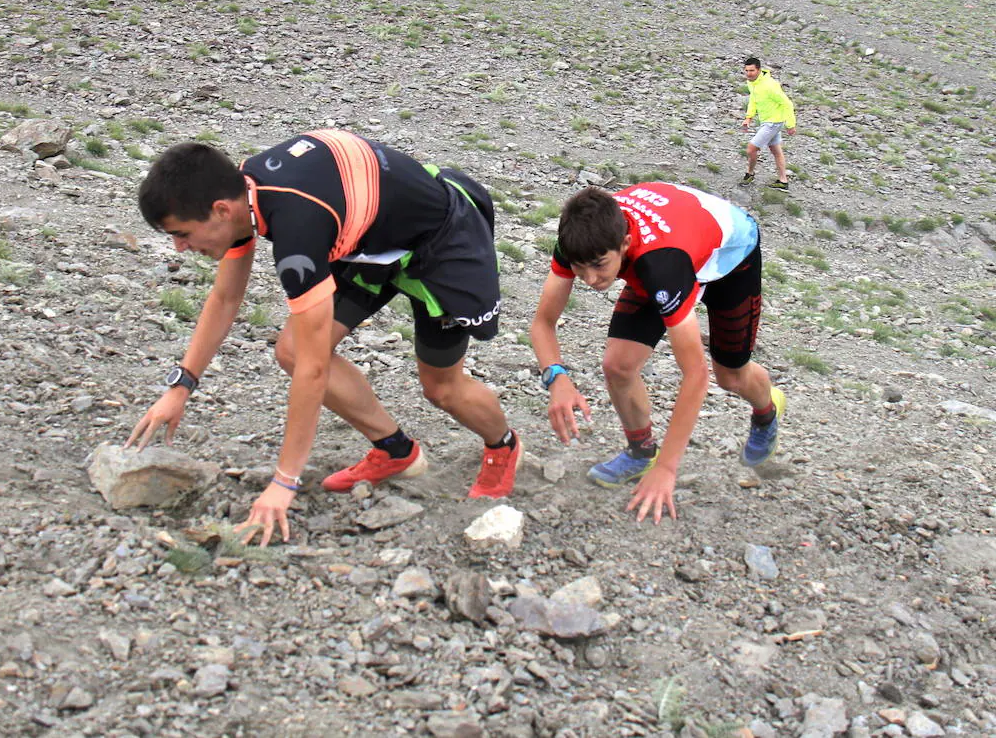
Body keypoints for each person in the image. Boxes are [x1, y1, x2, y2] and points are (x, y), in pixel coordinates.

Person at [127, 132, 522, 546]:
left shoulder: (298, 229)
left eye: (182, 234)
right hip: (370, 241)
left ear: (219, 210)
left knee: (442, 389)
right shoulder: (242, 197)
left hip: (440, 241)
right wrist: (181, 384)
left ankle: (504, 445)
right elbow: (225, 298)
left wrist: (284, 482)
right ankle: (396, 451)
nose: (179, 247)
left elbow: (315, 372)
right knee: (293, 350)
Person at [529, 183, 784, 524]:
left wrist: (668, 469)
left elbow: (696, 375)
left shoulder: (660, 264)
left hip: (729, 258)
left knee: (730, 376)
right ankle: (641, 452)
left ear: (624, 243)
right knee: (617, 366)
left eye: (599, 265)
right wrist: (556, 378)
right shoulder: (578, 240)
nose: (589, 279)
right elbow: (543, 323)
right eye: (579, 267)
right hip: (673, 241)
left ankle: (767, 410)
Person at [740, 56, 796, 190]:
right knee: (776, 150)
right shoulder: (753, 83)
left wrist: (791, 124)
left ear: (759, 70)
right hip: (767, 121)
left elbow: (787, 103)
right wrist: (749, 117)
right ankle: (783, 181)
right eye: (746, 71)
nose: (749, 74)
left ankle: (750, 174)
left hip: (773, 122)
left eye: (752, 70)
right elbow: (753, 98)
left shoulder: (769, 85)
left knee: (751, 149)